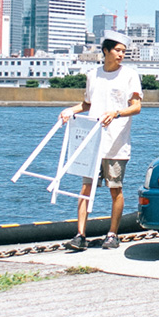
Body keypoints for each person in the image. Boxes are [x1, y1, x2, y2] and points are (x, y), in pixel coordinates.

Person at [59, 30, 142, 251]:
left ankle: (112, 234)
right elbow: (87, 105)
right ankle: (80, 234)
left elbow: (136, 106)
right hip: (92, 141)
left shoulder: (130, 75)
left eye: (124, 51)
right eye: (117, 50)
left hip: (116, 143)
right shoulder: (92, 75)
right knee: (85, 188)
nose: (121, 55)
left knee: (115, 188)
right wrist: (70, 110)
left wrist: (116, 113)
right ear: (105, 51)